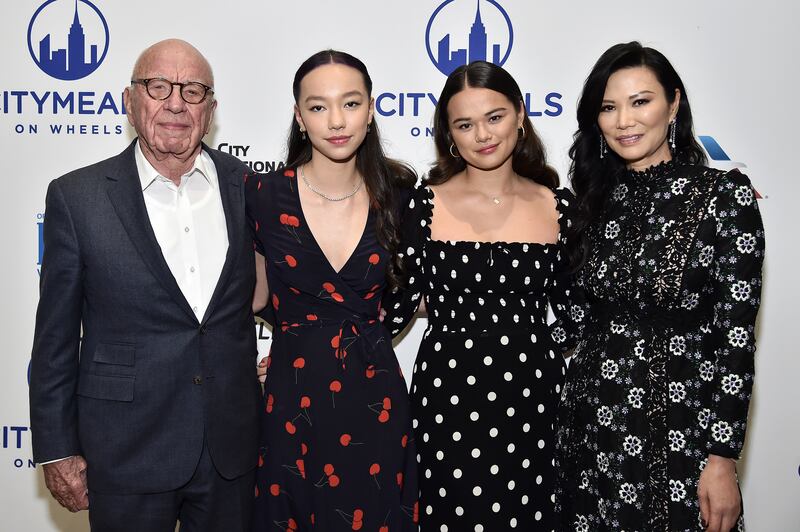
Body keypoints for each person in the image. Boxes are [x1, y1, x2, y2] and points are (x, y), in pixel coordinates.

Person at [29, 39, 261, 531]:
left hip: (231, 451)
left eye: (193, 91)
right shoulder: (77, 198)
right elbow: (54, 341)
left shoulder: (249, 188)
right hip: (124, 448)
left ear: (211, 109)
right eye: (158, 87)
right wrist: (56, 447)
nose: (176, 103)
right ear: (129, 101)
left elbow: (287, 292)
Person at [555, 41, 764, 532]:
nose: (624, 120)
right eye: (608, 107)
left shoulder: (723, 197)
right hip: (589, 431)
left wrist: (722, 458)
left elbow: (735, 339)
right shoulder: (590, 203)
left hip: (681, 437)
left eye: (640, 101)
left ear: (673, 103)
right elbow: (572, 323)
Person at [383, 60, 579, 531]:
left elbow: (578, 314)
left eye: (494, 117)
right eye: (465, 124)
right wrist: (308, 345)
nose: (483, 134)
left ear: (520, 115)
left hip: (535, 398)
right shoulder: (422, 204)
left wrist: (540, 351)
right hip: (447, 395)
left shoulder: (559, 206)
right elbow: (393, 310)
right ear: (449, 134)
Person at [246, 50, 419, 531]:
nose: (337, 121)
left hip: (376, 398)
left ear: (370, 109)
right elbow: (254, 298)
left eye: (351, 103)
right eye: (318, 107)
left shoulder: (402, 192)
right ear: (299, 117)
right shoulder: (261, 194)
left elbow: (413, 293)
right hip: (292, 398)